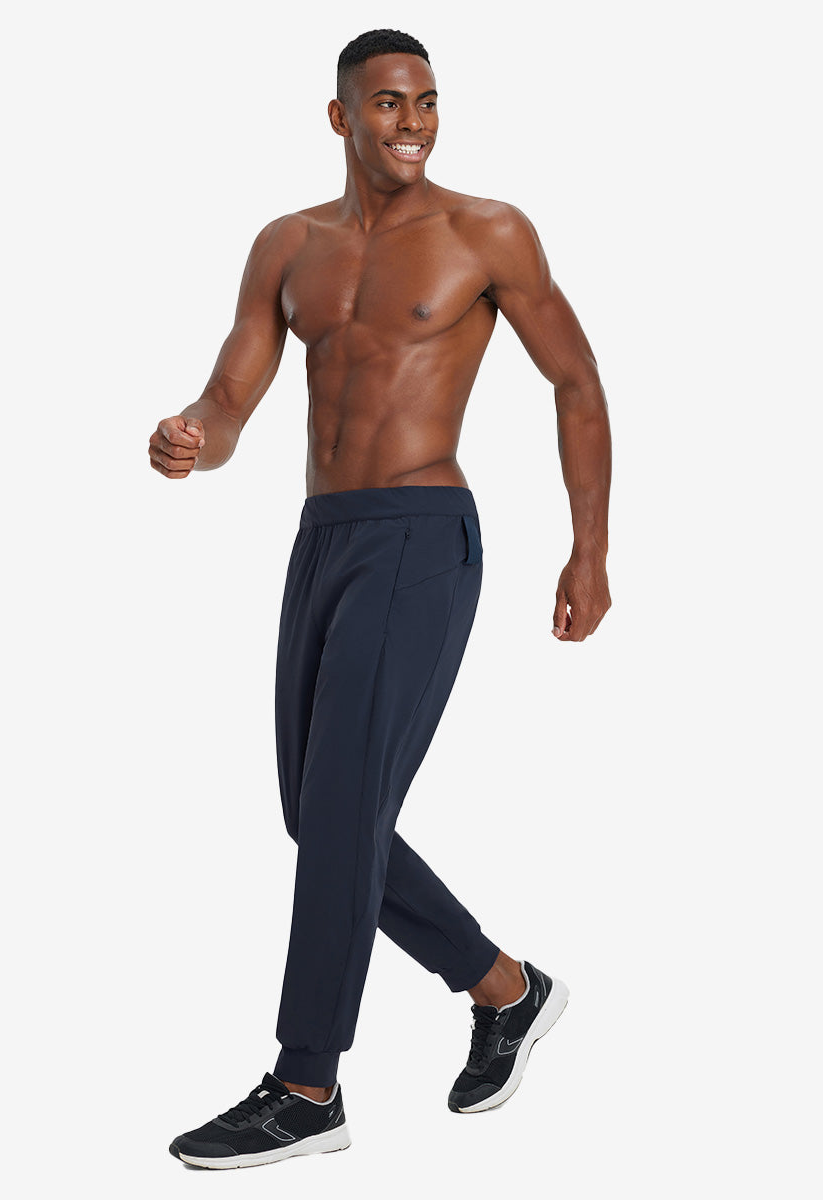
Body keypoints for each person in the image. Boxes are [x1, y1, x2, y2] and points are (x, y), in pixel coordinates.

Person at [150, 28, 611, 1171]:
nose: (413, 124)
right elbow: (231, 398)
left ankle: (307, 1085)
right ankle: (505, 989)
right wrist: (191, 437)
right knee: (319, 817)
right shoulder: (287, 246)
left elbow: (574, 380)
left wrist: (589, 550)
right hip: (323, 537)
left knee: (341, 812)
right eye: (391, 104)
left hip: (421, 531)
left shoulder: (487, 232)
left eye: (428, 102)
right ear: (341, 116)